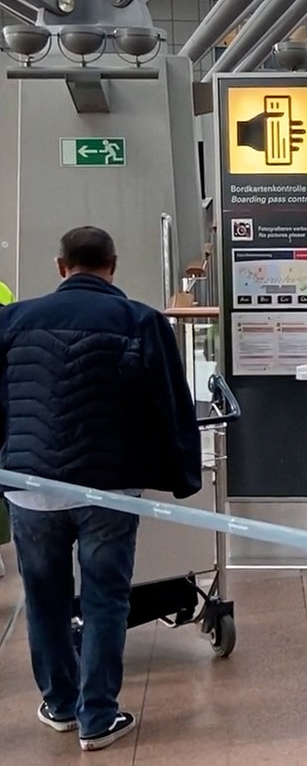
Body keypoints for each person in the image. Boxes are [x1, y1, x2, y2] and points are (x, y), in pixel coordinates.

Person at [0, 227, 199, 751]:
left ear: (60, 265)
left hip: (29, 487)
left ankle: (60, 704)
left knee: (43, 597)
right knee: (106, 598)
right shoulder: (142, 320)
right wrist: (181, 477)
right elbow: (171, 406)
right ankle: (98, 716)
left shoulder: (12, 320)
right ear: (113, 265)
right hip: (108, 487)